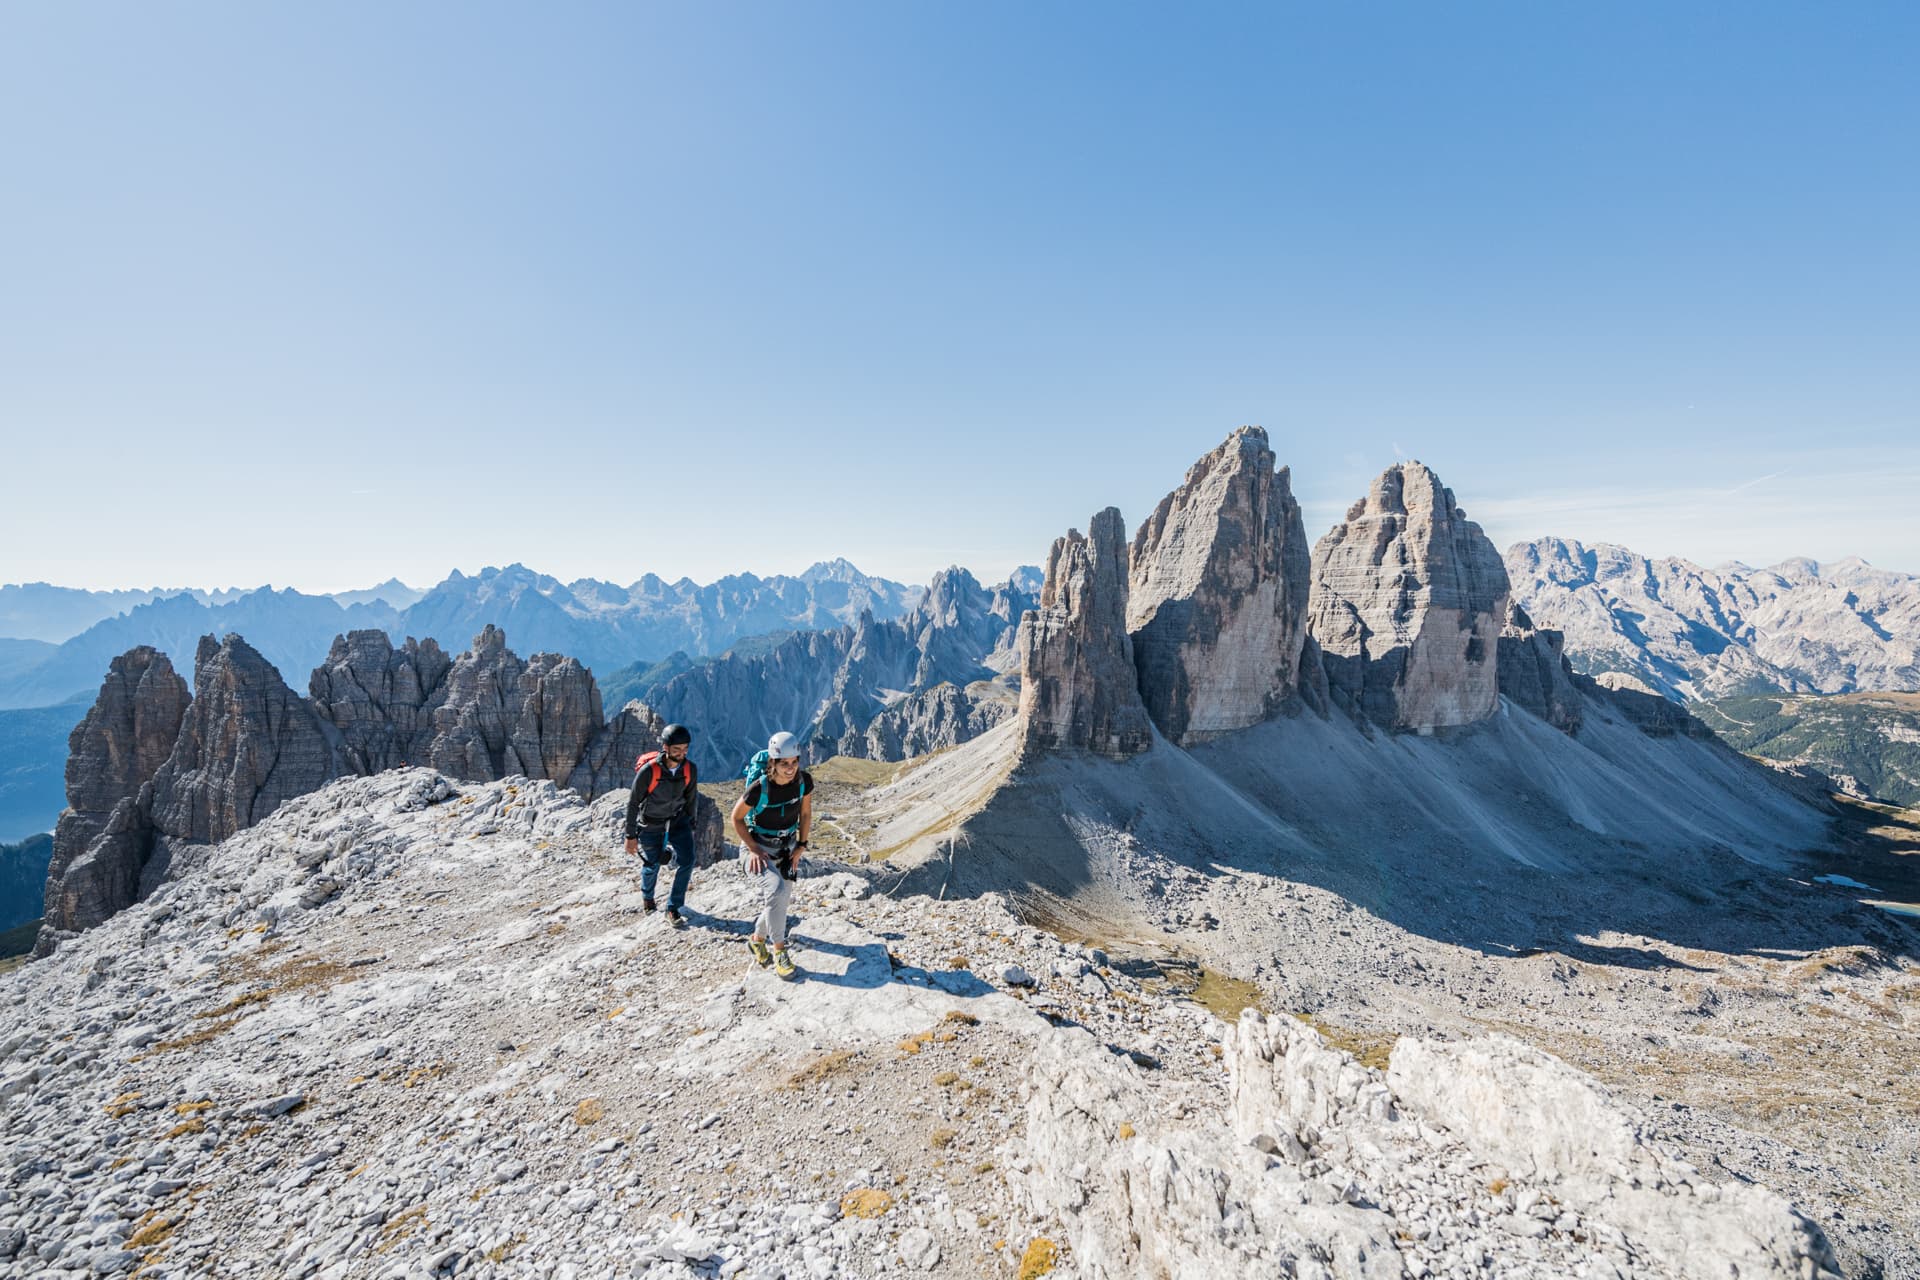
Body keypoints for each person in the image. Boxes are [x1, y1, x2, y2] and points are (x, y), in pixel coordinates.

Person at [733, 730, 812, 980]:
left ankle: (757, 940)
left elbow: (806, 814)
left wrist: (801, 845)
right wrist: (753, 849)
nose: (790, 768)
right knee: (776, 891)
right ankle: (779, 951)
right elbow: (735, 818)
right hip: (757, 849)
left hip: (787, 848)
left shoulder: (803, 782)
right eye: (784, 763)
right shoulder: (759, 788)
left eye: (794, 762)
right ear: (773, 763)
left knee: (780, 899)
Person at [624, 723, 699, 928]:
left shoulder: (690, 769)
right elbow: (633, 803)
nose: (681, 754)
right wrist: (630, 835)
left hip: (677, 821)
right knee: (652, 863)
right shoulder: (650, 771)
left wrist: (691, 823)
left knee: (688, 860)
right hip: (651, 824)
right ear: (665, 748)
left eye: (685, 749)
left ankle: (673, 907)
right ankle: (648, 897)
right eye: (677, 750)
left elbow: (691, 798)